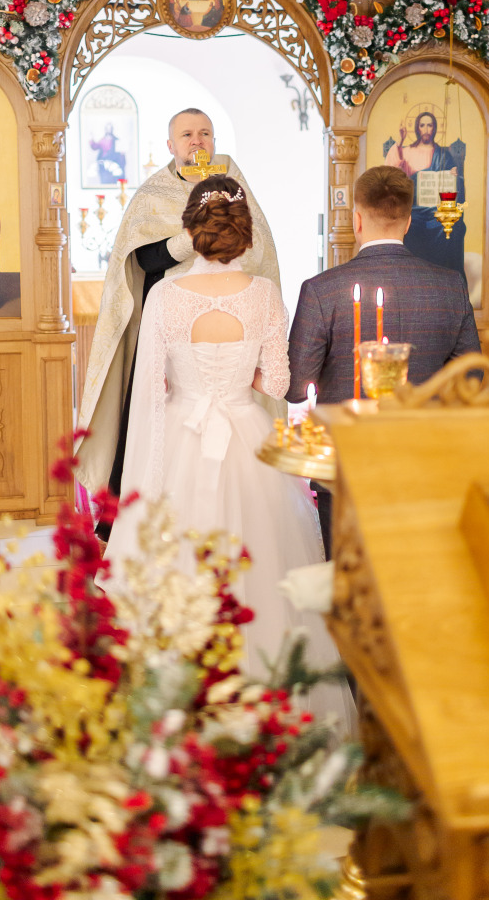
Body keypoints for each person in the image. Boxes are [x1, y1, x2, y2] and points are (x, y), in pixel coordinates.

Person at [102, 176, 354, 726]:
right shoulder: (264, 295)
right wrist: (238, 378)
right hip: (247, 437)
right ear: (244, 237)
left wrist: (141, 482)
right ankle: (268, 696)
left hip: (181, 433)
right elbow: (278, 382)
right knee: (264, 563)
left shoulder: (166, 296)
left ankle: (181, 703)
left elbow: (148, 392)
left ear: (191, 232)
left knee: (182, 565)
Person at [76, 108, 281, 511]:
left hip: (228, 317)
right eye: (187, 134)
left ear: (215, 141)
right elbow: (140, 260)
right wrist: (186, 243)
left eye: (205, 133)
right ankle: (132, 507)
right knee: (153, 410)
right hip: (171, 319)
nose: (197, 141)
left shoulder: (236, 190)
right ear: (170, 146)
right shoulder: (153, 195)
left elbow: (259, 251)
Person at [287, 165, 481, 555]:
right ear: (408, 222)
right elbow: (472, 378)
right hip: (424, 459)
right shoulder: (450, 285)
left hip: (345, 460)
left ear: (356, 219)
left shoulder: (322, 290)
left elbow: (296, 386)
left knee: (346, 583)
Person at [384, 110, 466, 275]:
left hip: (437, 209)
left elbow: (455, 185)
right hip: (414, 208)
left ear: (435, 128)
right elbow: (392, 174)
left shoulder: (443, 154)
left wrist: (455, 176)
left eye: (430, 125)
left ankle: (446, 276)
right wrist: (400, 141)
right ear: (417, 128)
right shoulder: (406, 151)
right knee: (408, 224)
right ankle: (413, 274)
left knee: (454, 226)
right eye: (423, 125)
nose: (426, 129)